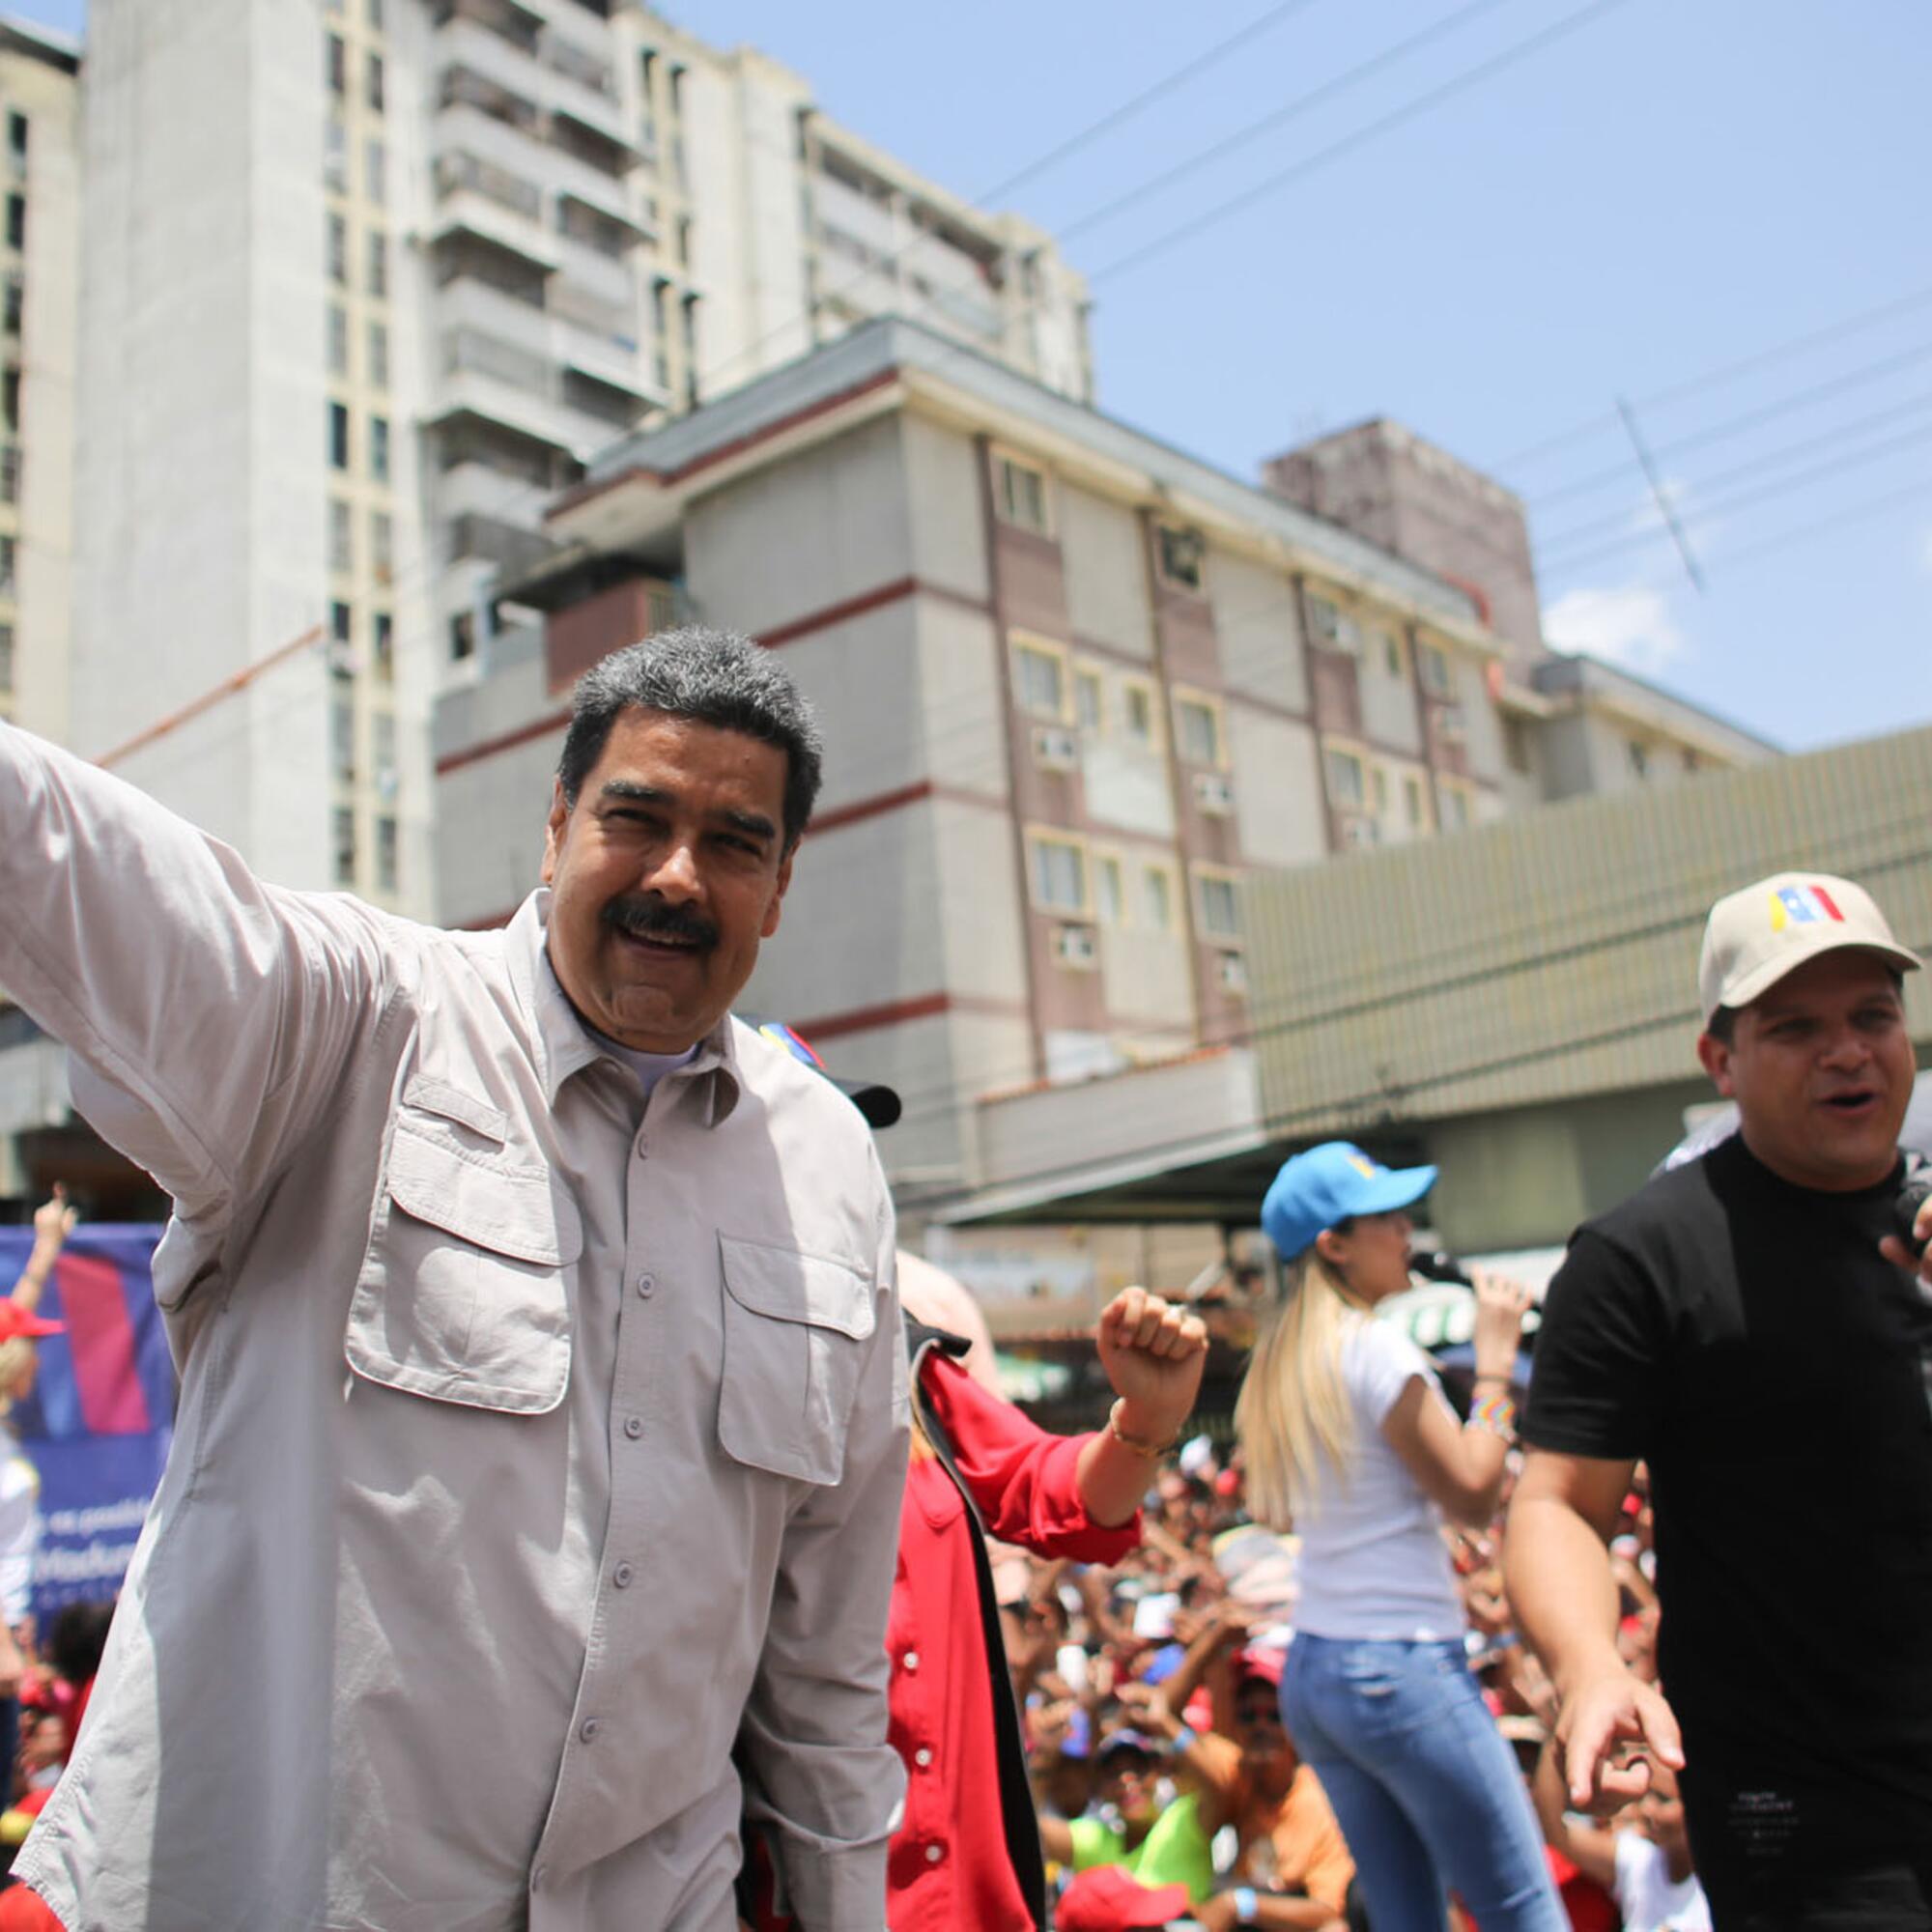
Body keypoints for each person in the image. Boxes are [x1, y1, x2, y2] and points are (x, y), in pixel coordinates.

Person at [0, 629, 911, 1930]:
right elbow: (68, 864)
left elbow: (825, 1656)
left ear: (779, 887)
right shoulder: (350, 1024)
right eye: (635, 818)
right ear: (554, 828)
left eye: (733, 843)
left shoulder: (828, 1162)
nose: (675, 877)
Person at [1507, 871, 1932, 1926]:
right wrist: (1588, 1664)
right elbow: (1556, 1498)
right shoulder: (1642, 1253)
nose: (1846, 1049)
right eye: (1794, 1026)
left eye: (1870, 1015)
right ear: (1719, 1060)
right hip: (1806, 1809)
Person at [1236, 1142, 1565, 1932]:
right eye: (1386, 1218)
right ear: (1334, 1246)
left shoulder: (1289, 1362)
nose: (1408, 1231)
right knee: (1523, 1909)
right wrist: (1493, 1369)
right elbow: (1475, 1493)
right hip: (1399, 1661)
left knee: (1406, 1918)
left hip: (1318, 1668)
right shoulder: (1373, 1345)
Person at [1530, 1740, 1711, 1932]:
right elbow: (1556, 1833)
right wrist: (1558, 1741)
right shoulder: (1640, 1862)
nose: (1647, 1809)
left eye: (1663, 1799)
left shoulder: (1721, 1884)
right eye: (1646, 1796)